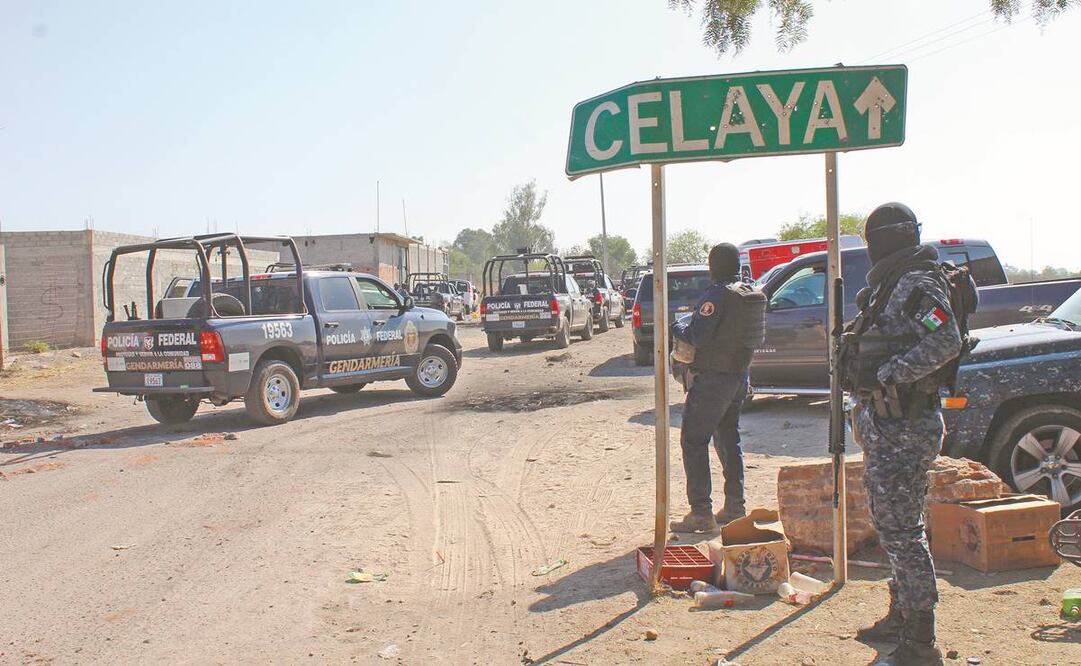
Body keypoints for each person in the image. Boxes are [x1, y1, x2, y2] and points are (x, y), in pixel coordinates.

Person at [848, 203, 962, 665]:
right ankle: (901, 615)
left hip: (907, 427)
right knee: (891, 525)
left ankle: (920, 640)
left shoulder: (917, 283)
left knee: (903, 530)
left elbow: (946, 338)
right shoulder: (892, 284)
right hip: (888, 425)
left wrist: (891, 374)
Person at [669, 243, 766, 534]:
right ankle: (735, 506)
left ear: (713, 266)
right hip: (739, 377)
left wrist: (677, 326)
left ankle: (701, 513)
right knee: (728, 438)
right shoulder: (749, 291)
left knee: (694, 440)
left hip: (713, 379)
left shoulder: (718, 295)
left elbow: (697, 335)